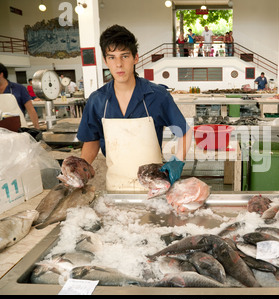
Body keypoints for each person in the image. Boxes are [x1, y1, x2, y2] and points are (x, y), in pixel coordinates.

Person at [74, 25, 192, 192]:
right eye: (112, 57)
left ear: (136, 58)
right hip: (116, 187)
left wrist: (178, 161)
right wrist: (80, 171)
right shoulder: (97, 100)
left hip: (154, 186)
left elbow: (184, 132)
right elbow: (92, 140)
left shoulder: (157, 96)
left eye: (125, 56)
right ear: (105, 60)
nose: (119, 64)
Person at [0, 62, 40, 129]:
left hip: (17, 129)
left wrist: (36, 128)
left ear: (0, 74)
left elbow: (30, 109)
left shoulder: (19, 88)